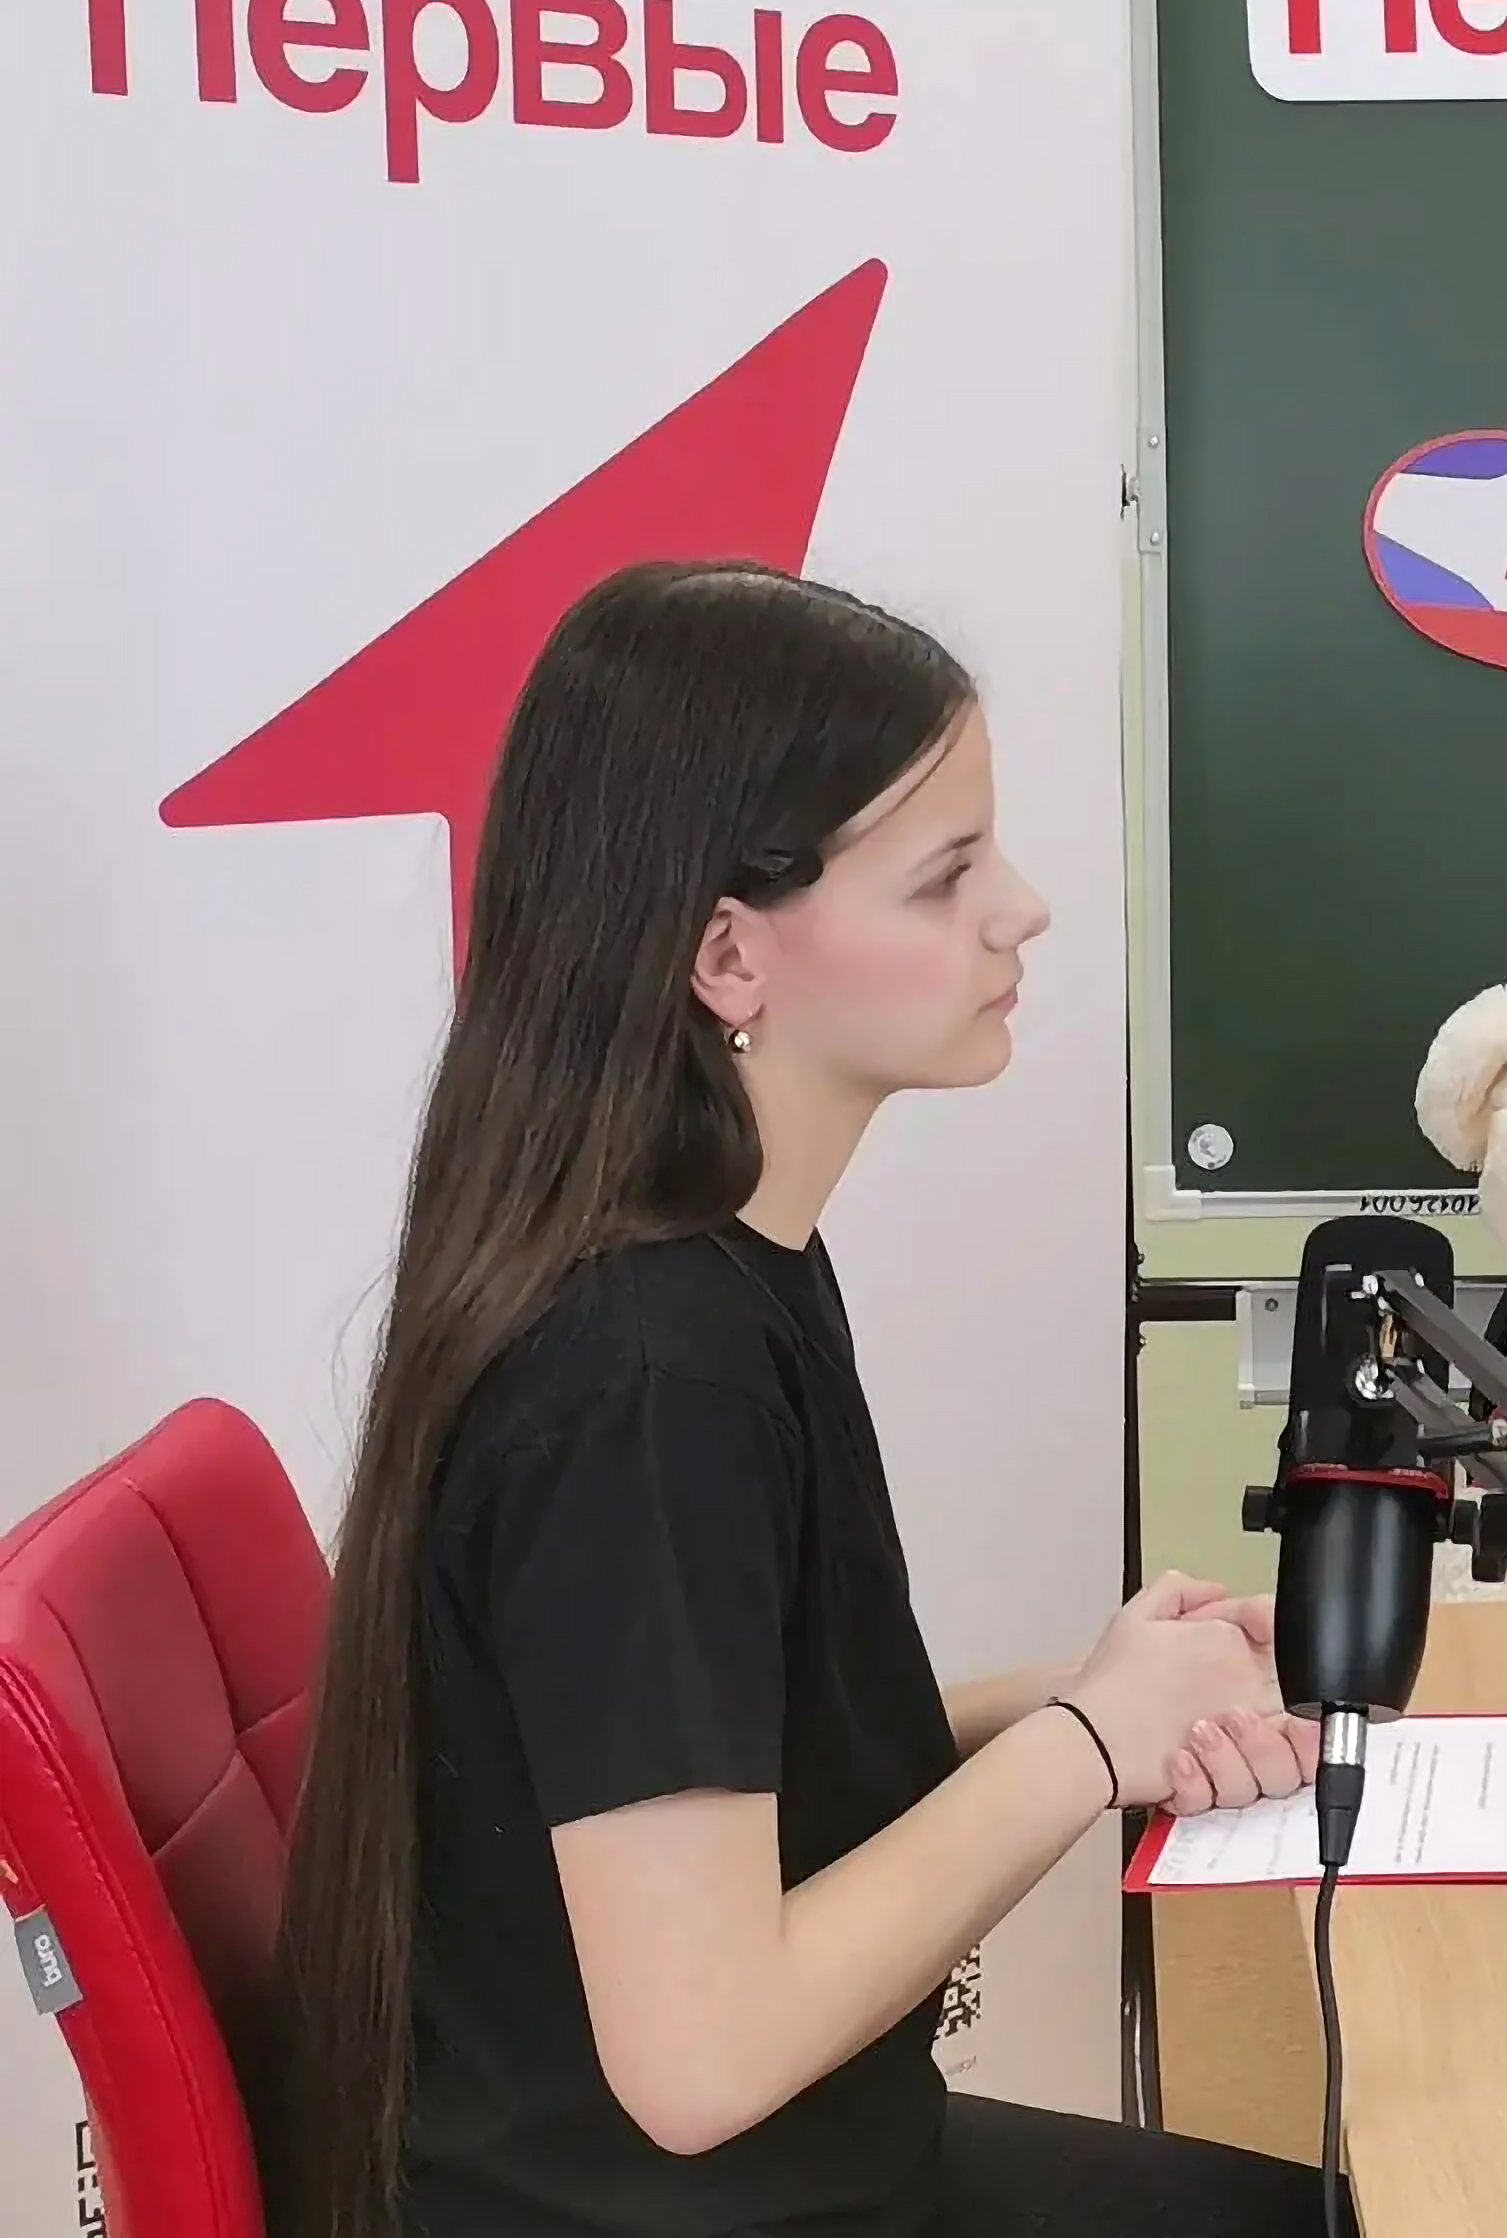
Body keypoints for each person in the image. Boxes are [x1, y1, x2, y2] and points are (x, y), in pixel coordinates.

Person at [269, 562, 1331, 2238]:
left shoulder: (719, 1262)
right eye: (946, 877)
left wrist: (1097, 1694)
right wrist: (1087, 1747)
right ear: (728, 956)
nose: (1023, 911)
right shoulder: (645, 1381)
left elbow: (721, 1779)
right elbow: (701, 2057)